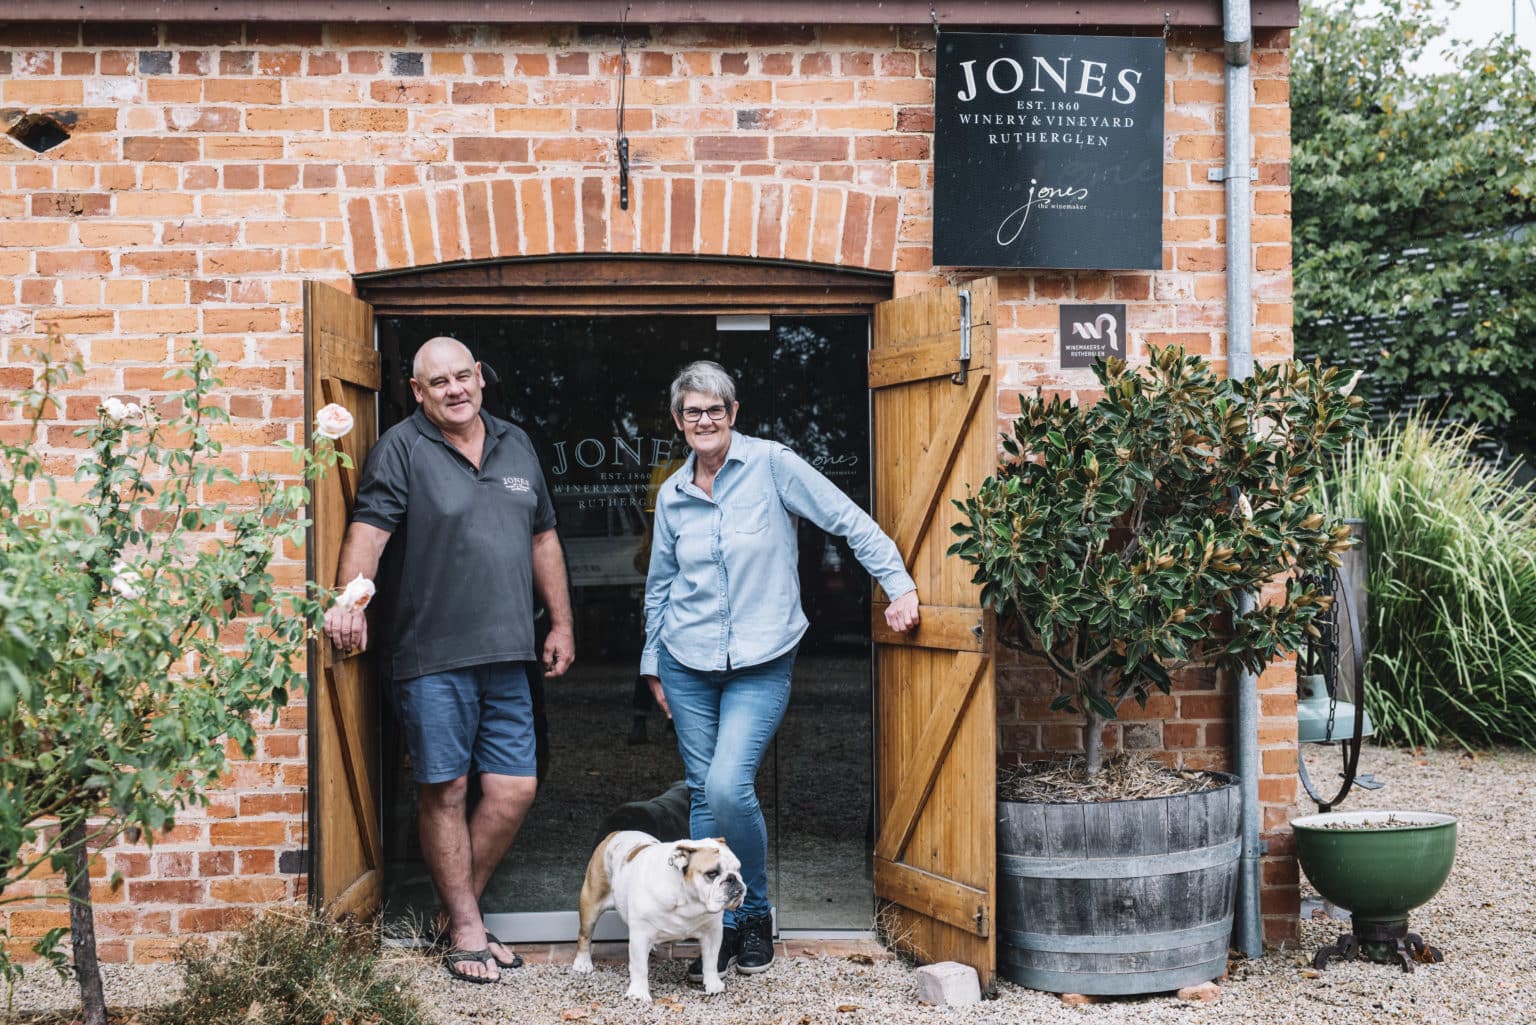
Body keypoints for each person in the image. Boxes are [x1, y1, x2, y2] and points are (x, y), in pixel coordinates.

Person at [639, 360, 920, 981]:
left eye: (716, 409)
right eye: (692, 412)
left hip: (762, 659)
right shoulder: (673, 492)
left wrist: (897, 585)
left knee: (726, 786)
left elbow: (847, 520)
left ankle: (756, 912)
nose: (704, 420)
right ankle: (719, 931)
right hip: (686, 661)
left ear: (733, 414)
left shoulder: (772, 464)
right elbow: (660, 585)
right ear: (679, 422)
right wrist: (652, 663)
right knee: (703, 804)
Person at [322, 336, 574, 985]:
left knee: (514, 786)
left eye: (465, 376)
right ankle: (467, 925)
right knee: (446, 787)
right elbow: (369, 533)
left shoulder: (517, 444)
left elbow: (542, 536)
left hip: (511, 651)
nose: (455, 389)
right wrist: (350, 602)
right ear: (418, 391)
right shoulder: (402, 449)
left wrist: (562, 622)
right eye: (440, 382)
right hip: (430, 654)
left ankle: (450, 914)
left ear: (481, 380)